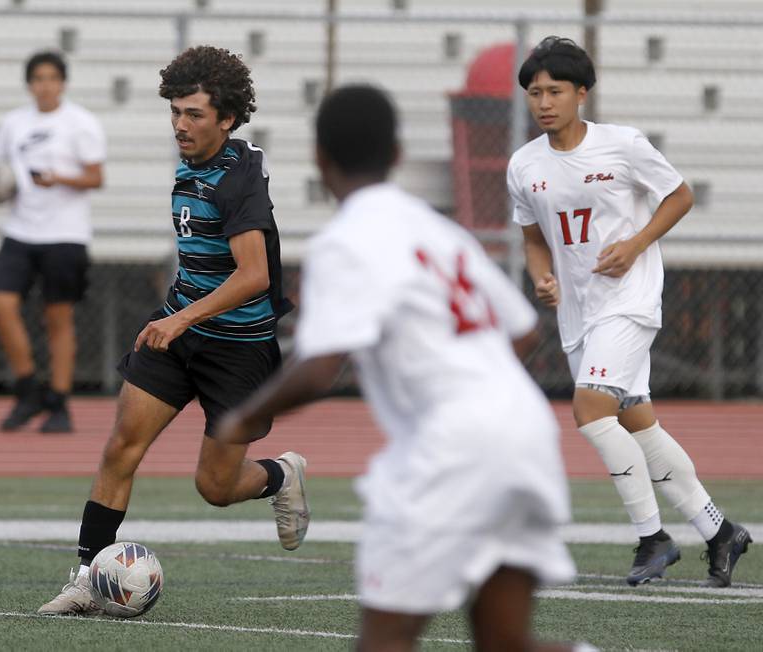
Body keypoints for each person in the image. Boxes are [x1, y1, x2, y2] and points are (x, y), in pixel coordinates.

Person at [216, 85, 589, 652]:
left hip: (451, 446)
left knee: (384, 641)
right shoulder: (440, 230)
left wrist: (241, 419)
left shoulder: (345, 239)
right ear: (396, 154)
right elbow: (524, 329)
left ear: (319, 158)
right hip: (526, 432)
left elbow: (319, 369)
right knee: (506, 643)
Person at [37, 46, 308, 616]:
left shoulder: (239, 181)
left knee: (214, 487)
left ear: (227, 118)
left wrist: (180, 317)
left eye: (194, 115)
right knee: (120, 447)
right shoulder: (193, 159)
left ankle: (280, 475)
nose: (180, 126)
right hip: (179, 331)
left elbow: (255, 275)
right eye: (175, 112)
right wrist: (178, 317)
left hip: (238, 349)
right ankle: (89, 576)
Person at [507, 36, 752, 588]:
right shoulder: (524, 165)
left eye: (555, 91)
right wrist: (541, 276)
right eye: (534, 92)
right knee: (636, 422)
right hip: (579, 314)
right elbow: (533, 238)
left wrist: (637, 243)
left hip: (631, 300)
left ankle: (653, 539)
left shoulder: (622, 145)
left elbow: (679, 195)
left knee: (590, 410)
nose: (543, 102)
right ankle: (720, 532)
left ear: (581, 94)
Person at [0, 51, 105, 433]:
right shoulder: (13, 123)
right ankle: (28, 389)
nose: (45, 85)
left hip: (65, 233)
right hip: (20, 231)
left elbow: (95, 177)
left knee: (57, 318)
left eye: (51, 78)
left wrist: (58, 179)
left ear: (63, 83)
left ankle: (59, 403)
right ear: (29, 84)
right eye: (38, 78)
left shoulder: (81, 123)